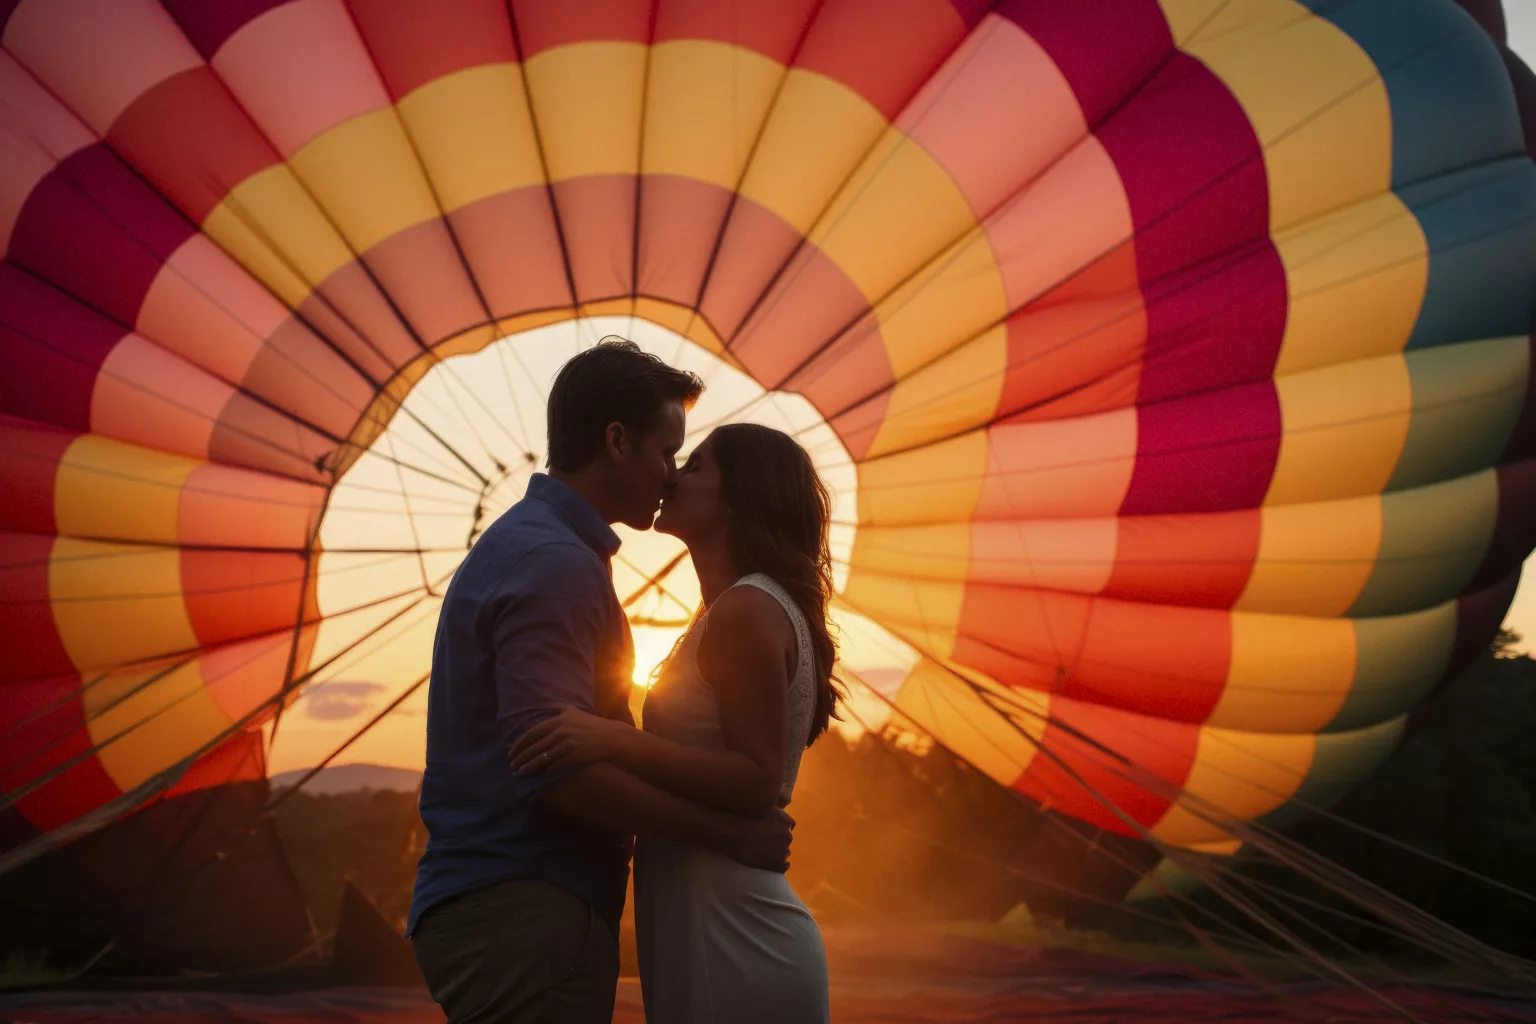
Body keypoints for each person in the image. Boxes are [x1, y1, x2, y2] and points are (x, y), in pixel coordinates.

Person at [408, 339, 795, 1024]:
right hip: (524, 904)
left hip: (515, 905)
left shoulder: (543, 549)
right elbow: (557, 775)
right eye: (666, 451)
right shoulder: (555, 563)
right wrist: (724, 833)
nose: (670, 475)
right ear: (617, 441)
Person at [510, 421, 839, 1023]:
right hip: (711, 912)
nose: (672, 474)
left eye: (696, 466)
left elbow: (755, 780)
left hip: (733, 925)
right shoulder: (732, 609)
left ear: (738, 497)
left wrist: (613, 738)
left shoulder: (745, 610)